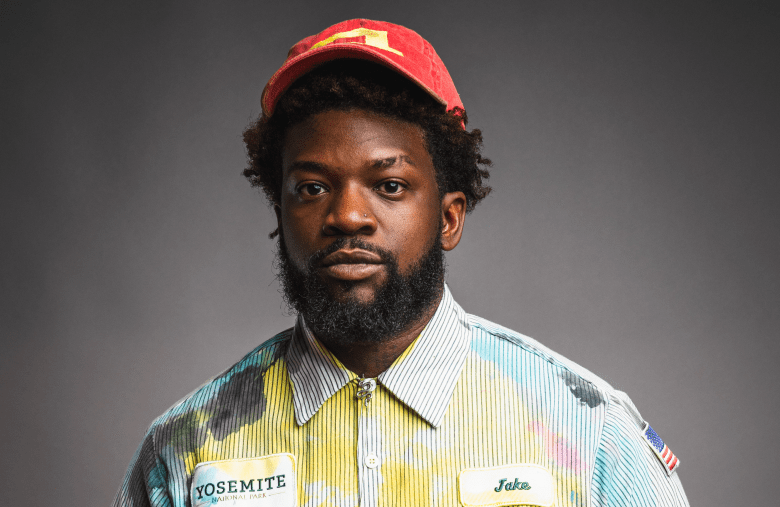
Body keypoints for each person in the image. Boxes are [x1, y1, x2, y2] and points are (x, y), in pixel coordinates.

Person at [114, 19, 689, 507]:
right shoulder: (185, 449)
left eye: (388, 185)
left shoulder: (589, 432)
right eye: (312, 188)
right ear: (279, 211)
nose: (347, 216)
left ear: (449, 218)